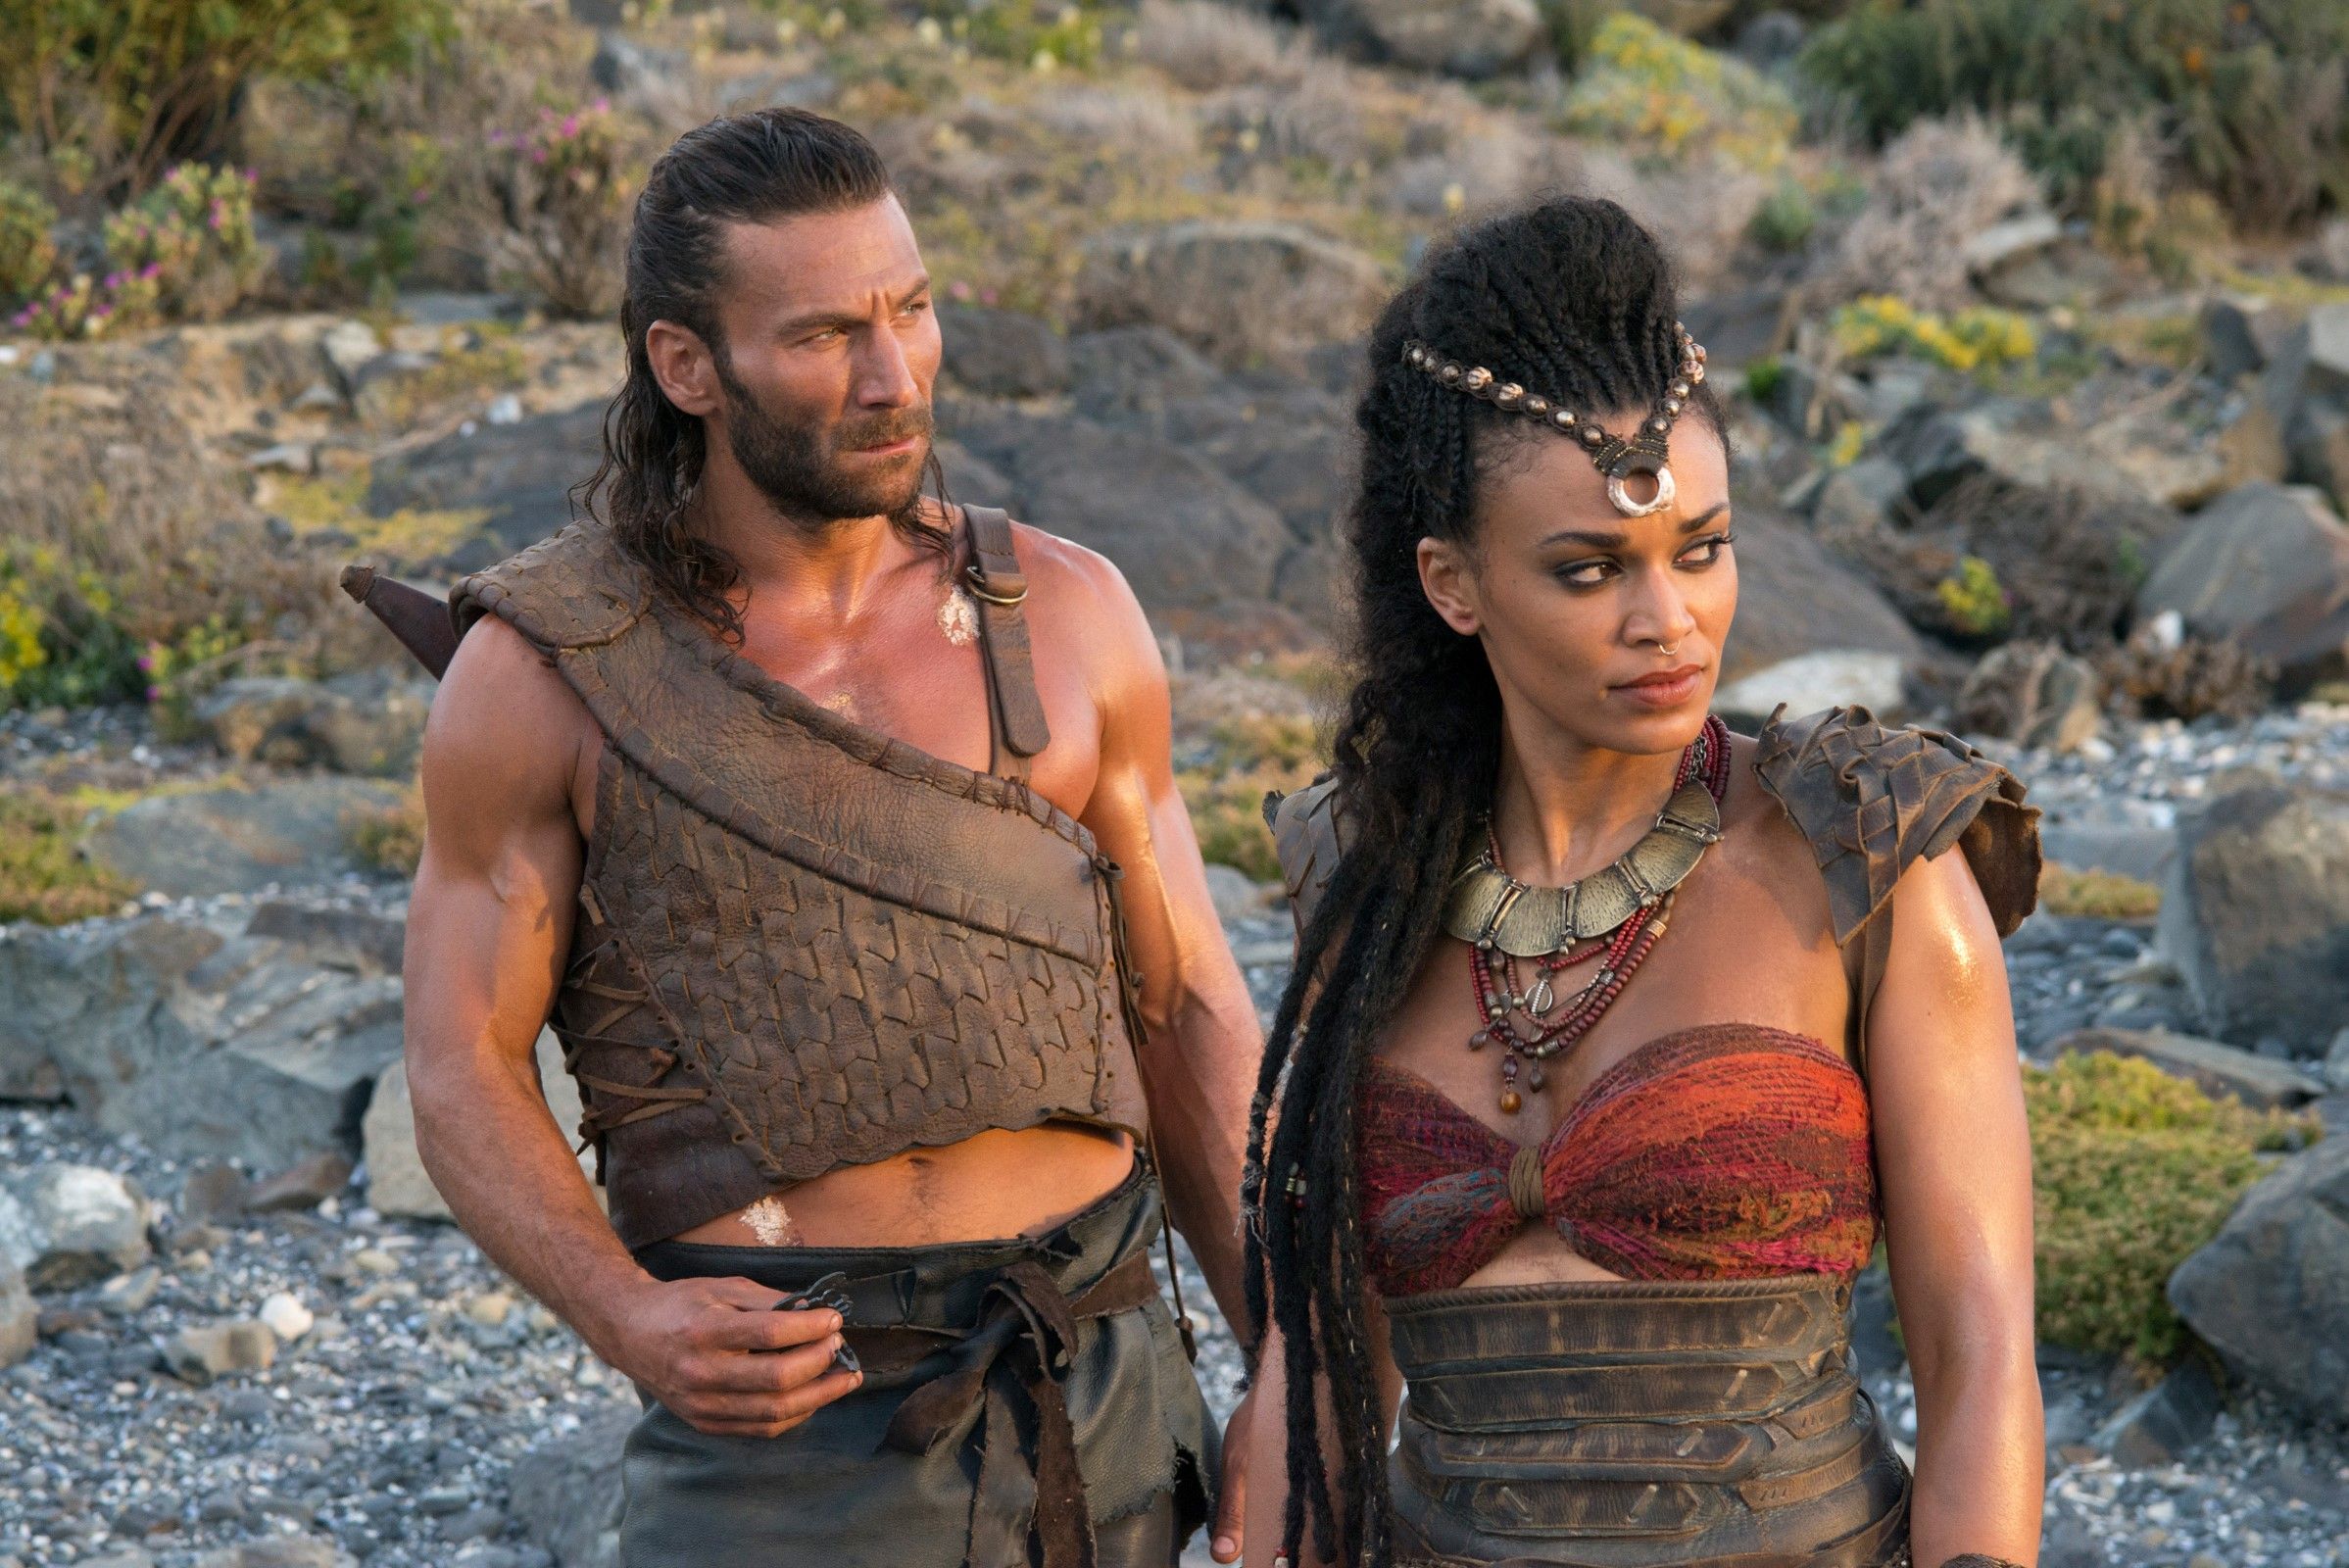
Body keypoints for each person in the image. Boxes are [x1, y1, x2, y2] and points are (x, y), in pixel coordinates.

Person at [355, 108, 1262, 1567]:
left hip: (1095, 1391)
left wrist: (1286, 1366)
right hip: (782, 1442)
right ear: (686, 366)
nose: (893, 377)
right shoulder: (542, 674)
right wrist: (627, 1315)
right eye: (826, 335)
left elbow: (1186, 1004)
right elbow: (459, 1062)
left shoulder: (1072, 616)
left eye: (911, 310)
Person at [1238, 196, 2046, 1568]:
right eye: (1587, 569)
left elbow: (1980, 1356)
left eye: (1701, 550)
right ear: (1452, 584)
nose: (1667, 621)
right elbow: (1312, 1374)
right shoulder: (1365, 884)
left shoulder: (1863, 852)